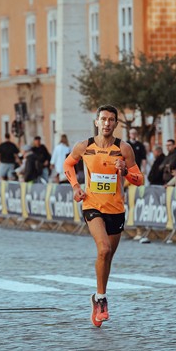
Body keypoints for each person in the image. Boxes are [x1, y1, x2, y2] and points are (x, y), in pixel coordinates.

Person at [63, 104, 143, 327]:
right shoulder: (84, 146)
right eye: (103, 119)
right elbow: (68, 164)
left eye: (111, 120)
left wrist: (125, 171)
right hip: (92, 206)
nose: (107, 123)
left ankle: (98, 296)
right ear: (96, 122)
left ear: (116, 124)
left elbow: (139, 179)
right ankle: (101, 299)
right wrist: (75, 186)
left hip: (116, 209)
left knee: (108, 257)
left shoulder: (124, 149)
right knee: (104, 249)